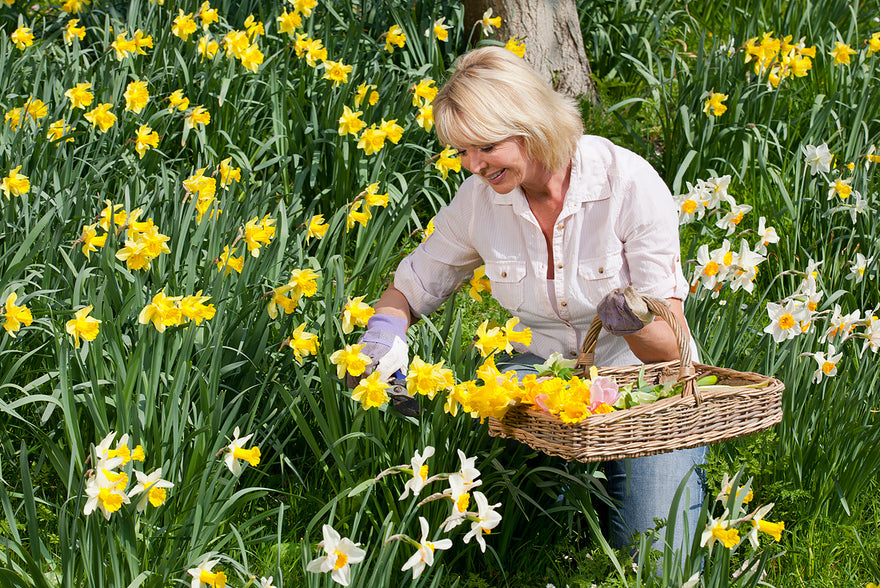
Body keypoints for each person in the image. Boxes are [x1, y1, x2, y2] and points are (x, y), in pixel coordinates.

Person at [353, 46, 706, 552]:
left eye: (485, 147)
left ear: (529, 124)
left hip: (644, 383)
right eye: (461, 152)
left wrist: (631, 319)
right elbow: (411, 287)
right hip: (547, 376)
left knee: (651, 553)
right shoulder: (480, 202)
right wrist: (382, 337)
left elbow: (670, 346)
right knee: (522, 539)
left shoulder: (625, 182)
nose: (473, 166)